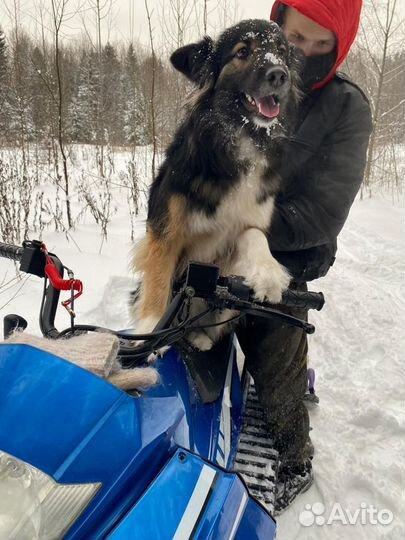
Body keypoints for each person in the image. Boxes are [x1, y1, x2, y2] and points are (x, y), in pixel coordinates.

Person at [237, 0, 372, 512]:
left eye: (323, 47)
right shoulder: (242, 81)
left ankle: (294, 456)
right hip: (213, 245)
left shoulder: (346, 108)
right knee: (176, 337)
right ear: (277, 26)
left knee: (276, 360)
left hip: (289, 252)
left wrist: (239, 223)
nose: (307, 55)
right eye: (296, 40)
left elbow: (321, 210)